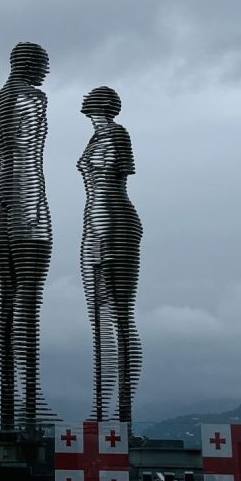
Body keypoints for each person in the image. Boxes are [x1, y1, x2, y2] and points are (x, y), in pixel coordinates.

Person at [0, 40, 57, 429]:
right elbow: (29, 151)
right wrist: (33, 209)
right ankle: (31, 408)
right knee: (28, 300)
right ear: (34, 66)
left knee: (7, 296)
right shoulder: (32, 97)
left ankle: (9, 408)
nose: (46, 72)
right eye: (44, 65)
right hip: (26, 199)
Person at [78, 85, 143, 424]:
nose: (83, 102)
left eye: (91, 98)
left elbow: (115, 179)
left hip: (116, 223)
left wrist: (102, 231)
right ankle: (102, 409)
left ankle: (124, 412)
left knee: (120, 315)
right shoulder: (95, 138)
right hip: (95, 226)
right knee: (99, 319)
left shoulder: (117, 134)